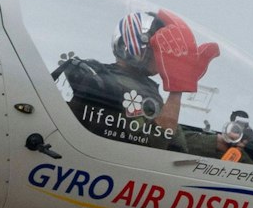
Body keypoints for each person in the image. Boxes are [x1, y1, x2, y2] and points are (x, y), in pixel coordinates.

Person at [55, 9, 220, 150]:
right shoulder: (123, 87)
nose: (169, 54)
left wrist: (217, 143)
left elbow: (174, 138)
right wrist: (177, 90)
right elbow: (155, 145)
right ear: (139, 47)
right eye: (163, 47)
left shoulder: (132, 84)